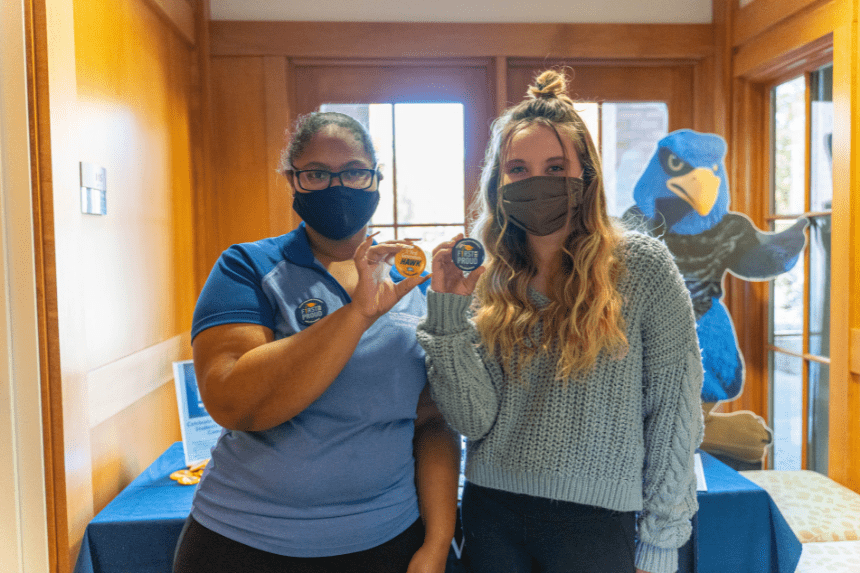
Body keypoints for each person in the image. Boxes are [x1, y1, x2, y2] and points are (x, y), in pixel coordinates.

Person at [416, 70, 704, 573]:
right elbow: (471, 420)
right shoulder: (487, 275)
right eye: (518, 170)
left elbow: (674, 411)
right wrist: (447, 316)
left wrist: (662, 541)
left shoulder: (642, 267)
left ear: (585, 175)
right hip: (492, 512)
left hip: (600, 523)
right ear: (498, 183)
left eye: (555, 166)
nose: (537, 182)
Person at [173, 111, 460, 573]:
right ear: (292, 181)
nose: (337, 186)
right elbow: (232, 402)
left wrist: (438, 542)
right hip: (243, 542)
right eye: (316, 174)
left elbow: (432, 422)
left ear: (375, 179)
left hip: (387, 540)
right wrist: (356, 315)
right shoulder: (246, 267)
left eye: (353, 172)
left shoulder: (413, 285)